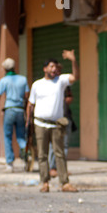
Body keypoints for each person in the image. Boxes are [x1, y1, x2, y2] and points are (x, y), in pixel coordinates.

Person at [26, 50, 79, 193]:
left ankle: (64, 183)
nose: (54, 69)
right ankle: (45, 182)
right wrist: (27, 122)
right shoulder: (37, 84)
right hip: (40, 124)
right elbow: (30, 104)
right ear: (45, 69)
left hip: (56, 124)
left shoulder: (60, 81)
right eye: (51, 66)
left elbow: (75, 77)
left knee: (59, 153)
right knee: (42, 155)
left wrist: (73, 60)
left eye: (55, 67)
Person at [0, 58, 29, 172]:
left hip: (10, 110)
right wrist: (27, 111)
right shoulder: (23, 79)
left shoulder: (4, 80)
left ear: (5, 69)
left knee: (7, 136)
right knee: (21, 136)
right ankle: (26, 154)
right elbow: (27, 96)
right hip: (20, 109)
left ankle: (10, 164)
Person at [49, 63, 77, 178]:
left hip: (65, 117)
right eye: (54, 69)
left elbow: (70, 98)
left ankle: (62, 168)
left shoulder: (64, 84)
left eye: (59, 69)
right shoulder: (48, 84)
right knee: (53, 145)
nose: (57, 71)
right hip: (54, 119)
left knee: (64, 145)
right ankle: (52, 168)